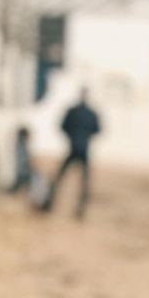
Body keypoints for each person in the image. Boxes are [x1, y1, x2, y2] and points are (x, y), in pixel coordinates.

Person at [42, 89, 101, 218]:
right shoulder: (91, 113)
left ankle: (50, 204)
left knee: (60, 178)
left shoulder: (73, 111)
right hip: (83, 149)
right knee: (83, 183)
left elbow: (63, 126)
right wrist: (84, 137)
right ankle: (80, 210)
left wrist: (72, 137)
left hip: (73, 148)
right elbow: (97, 130)